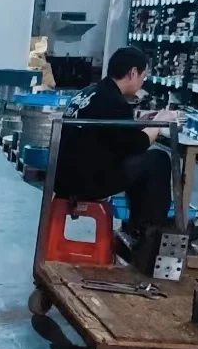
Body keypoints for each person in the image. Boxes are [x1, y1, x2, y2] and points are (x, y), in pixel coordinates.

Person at [54, 46, 177, 231]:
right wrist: (160, 121)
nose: (142, 83)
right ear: (133, 73)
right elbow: (138, 145)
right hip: (86, 182)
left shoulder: (89, 92)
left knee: (138, 164)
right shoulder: (113, 101)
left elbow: (112, 135)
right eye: (143, 76)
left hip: (65, 177)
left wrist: (140, 123)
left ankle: (139, 226)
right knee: (157, 160)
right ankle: (150, 230)